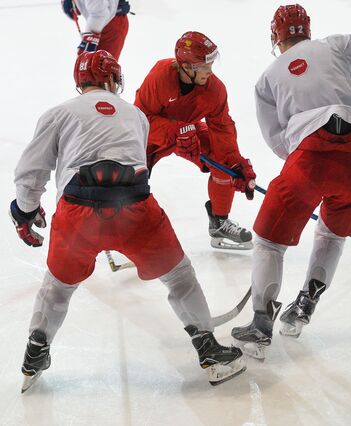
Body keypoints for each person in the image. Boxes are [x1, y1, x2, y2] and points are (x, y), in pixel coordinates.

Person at [10, 50, 245, 393]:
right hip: (135, 208)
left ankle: (36, 351)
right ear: (112, 79)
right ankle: (209, 350)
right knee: (179, 277)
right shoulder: (136, 115)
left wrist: (25, 212)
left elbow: (30, 173)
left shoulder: (58, 113)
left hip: (78, 213)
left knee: (58, 286)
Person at [231, 4, 351, 359]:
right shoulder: (335, 46)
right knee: (332, 234)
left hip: (308, 159)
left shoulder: (267, 78)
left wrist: (309, 166)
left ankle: (261, 324)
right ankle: (304, 306)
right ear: (307, 29)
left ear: (275, 36)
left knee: (268, 242)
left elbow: (277, 140)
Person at [134, 31, 256, 250]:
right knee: (128, 170)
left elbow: (222, 129)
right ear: (185, 66)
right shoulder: (160, 76)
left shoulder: (215, 90)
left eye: (210, 65)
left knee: (223, 162)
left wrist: (235, 164)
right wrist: (175, 130)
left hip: (188, 131)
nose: (209, 71)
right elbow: (139, 121)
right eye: (203, 66)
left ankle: (219, 221)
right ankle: (122, 225)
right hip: (154, 133)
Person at [62, 0, 131, 61]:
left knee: (97, 70)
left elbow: (99, 13)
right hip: (104, 21)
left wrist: (90, 40)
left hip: (109, 24)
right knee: (90, 68)